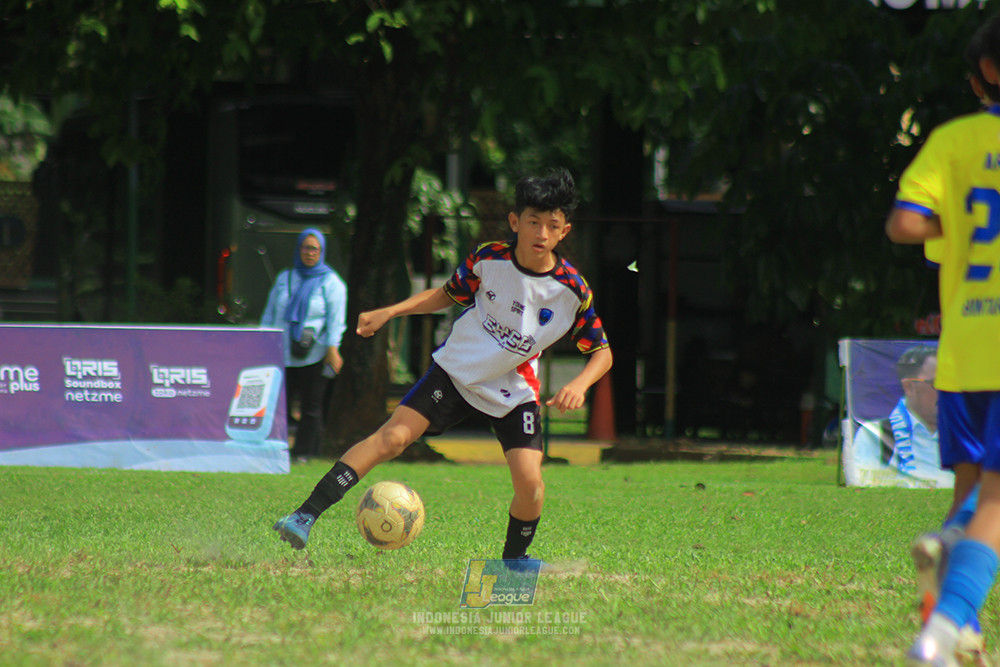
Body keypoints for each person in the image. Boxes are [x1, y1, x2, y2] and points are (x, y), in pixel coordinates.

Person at [272, 168, 613, 565]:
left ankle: (513, 560)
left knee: (531, 484)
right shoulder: (489, 259)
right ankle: (304, 514)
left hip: (512, 391)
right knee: (392, 439)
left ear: (563, 232)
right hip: (455, 373)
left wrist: (581, 385)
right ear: (515, 222)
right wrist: (390, 311)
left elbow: (602, 352)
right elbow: (447, 295)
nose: (541, 233)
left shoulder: (572, 290)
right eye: (533, 222)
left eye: (551, 225)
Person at [886, 14, 1000, 666]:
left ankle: (967, 635)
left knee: (976, 489)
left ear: (985, 73)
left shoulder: (956, 143)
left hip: (965, 354)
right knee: (994, 504)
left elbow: (907, 224)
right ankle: (945, 623)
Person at [260, 228, 347, 462]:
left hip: (315, 354)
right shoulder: (284, 277)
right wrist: (262, 342)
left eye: (315, 249)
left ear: (322, 252)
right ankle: (274, 450)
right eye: (306, 248)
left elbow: (335, 321)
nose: (310, 253)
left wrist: (332, 348)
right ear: (299, 249)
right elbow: (269, 314)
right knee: (277, 406)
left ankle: (304, 453)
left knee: (311, 407)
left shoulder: (331, 282)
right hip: (281, 352)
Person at [852, 345, 953, 488]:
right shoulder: (876, 434)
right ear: (909, 387)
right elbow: (862, 488)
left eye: (950, 384)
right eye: (937, 383)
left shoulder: (966, 433)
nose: (946, 391)